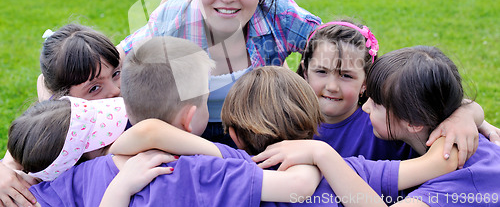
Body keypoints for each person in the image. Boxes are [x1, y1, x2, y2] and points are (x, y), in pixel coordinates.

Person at [11, 37, 321, 207]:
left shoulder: (82, 173)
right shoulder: (209, 168)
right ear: (189, 118)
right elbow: (300, 187)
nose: (114, 90)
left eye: (117, 76)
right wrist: (315, 152)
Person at [111, 66, 459, 207]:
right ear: (314, 125)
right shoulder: (352, 173)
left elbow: (143, 133)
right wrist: (463, 115)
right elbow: (438, 164)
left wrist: (217, 151)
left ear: (233, 134)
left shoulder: (222, 171)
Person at [117, 0, 321, 144]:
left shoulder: (278, 13)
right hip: (183, 137)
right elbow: (117, 64)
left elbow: (341, 49)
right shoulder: (173, 20)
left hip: (263, 134)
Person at [255, 46, 500, 206]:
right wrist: (469, 113)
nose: (365, 107)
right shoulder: (430, 127)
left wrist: (322, 154)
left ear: (413, 121)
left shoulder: (464, 178)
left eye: (376, 103)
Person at [298, 20, 496, 167]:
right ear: (305, 71)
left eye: (346, 75)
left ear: (366, 82)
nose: (332, 86)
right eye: (321, 72)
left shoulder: (383, 121)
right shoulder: (289, 115)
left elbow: (434, 101)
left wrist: (466, 114)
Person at [0, 23, 122, 207]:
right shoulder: (56, 142)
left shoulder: (130, 107)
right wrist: (8, 165)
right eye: (94, 88)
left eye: (116, 74)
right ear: (63, 99)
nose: (115, 90)